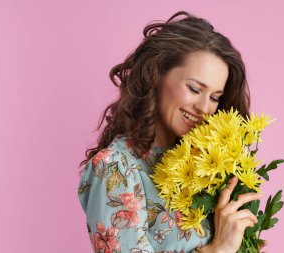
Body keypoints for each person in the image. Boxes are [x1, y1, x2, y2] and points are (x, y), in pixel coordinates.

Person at [78, 11, 266, 253]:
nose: (204, 108)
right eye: (194, 88)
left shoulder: (207, 167)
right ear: (156, 76)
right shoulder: (116, 168)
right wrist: (217, 250)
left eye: (215, 97)